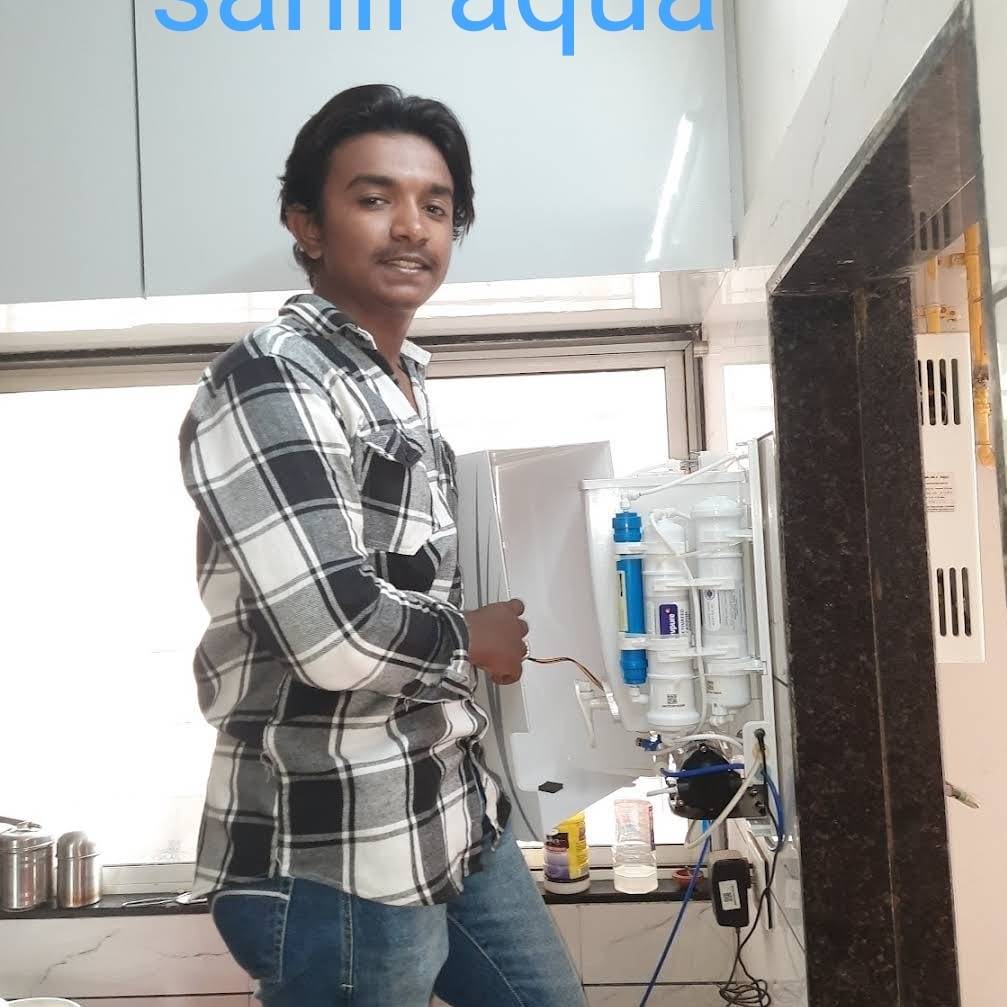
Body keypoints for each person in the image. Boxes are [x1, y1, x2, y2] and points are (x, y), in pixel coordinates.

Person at [178, 84, 586, 1006]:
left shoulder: (396, 380)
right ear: (306, 224)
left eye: (435, 207)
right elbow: (333, 635)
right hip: (337, 848)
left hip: (450, 811)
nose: (411, 227)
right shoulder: (274, 376)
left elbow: (405, 588)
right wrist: (471, 636)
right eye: (374, 198)